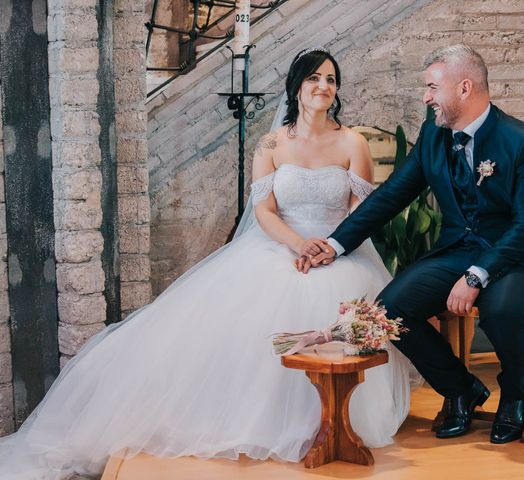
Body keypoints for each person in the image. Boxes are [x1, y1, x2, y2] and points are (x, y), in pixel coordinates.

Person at [0, 48, 418, 479]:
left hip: (339, 251)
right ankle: (261, 417)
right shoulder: (271, 143)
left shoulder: (354, 143)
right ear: (297, 86)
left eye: (331, 80)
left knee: (348, 310)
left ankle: (337, 424)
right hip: (282, 248)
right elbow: (265, 212)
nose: (323, 87)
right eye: (314, 78)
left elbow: (361, 212)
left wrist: (329, 246)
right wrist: (299, 245)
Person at [307, 44, 524, 444]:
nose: (426, 97)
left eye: (431, 87)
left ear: (464, 88)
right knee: (389, 311)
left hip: (517, 256)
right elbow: (392, 196)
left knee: (503, 309)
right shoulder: (432, 136)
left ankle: (515, 397)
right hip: (457, 251)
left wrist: (477, 276)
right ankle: (461, 390)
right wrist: (336, 244)